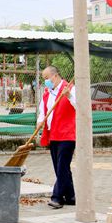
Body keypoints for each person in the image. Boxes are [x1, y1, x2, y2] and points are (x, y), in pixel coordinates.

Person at [37, 66, 76, 209]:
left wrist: (69, 96)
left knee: (61, 167)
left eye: (47, 78)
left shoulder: (70, 88)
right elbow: (43, 111)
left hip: (67, 135)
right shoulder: (48, 93)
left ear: (55, 76)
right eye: (44, 79)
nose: (46, 81)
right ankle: (70, 196)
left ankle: (57, 197)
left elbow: (80, 106)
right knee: (60, 167)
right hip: (53, 134)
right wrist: (40, 121)